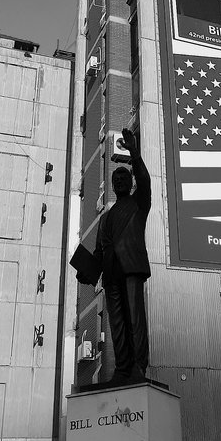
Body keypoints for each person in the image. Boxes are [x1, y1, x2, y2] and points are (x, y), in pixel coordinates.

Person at [75, 128, 151, 385]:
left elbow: (145, 180)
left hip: (131, 268)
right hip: (111, 273)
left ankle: (138, 367)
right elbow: (99, 252)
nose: (118, 181)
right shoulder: (105, 219)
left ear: (130, 183)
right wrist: (87, 271)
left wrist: (134, 153)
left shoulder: (139, 203)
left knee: (134, 319)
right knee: (116, 323)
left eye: (123, 177)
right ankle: (122, 368)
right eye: (115, 179)